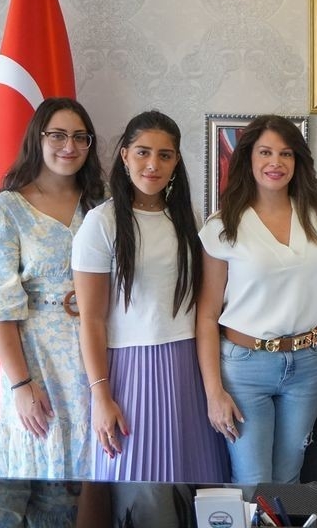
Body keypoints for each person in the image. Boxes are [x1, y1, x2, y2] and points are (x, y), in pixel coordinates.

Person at [0, 97, 105, 525]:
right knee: (32, 462)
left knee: (85, 471)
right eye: (58, 135)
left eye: (80, 137)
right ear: (38, 139)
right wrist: (21, 383)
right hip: (35, 357)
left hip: (95, 353)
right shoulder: (5, 211)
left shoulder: (101, 206)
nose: (70, 146)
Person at [73, 110, 228, 484]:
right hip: (130, 370)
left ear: (176, 162)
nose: (153, 164)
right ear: (125, 155)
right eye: (143, 152)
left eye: (165, 155)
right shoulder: (101, 222)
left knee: (194, 477)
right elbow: (91, 319)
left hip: (187, 364)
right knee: (136, 481)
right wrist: (100, 397)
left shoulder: (187, 218)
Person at [196, 115, 317, 484]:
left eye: (286, 153)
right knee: (253, 480)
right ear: (248, 159)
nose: (276, 162)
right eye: (265, 152)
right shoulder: (223, 226)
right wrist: (213, 392)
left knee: (289, 477)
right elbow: (207, 315)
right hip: (245, 367)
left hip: (309, 362)